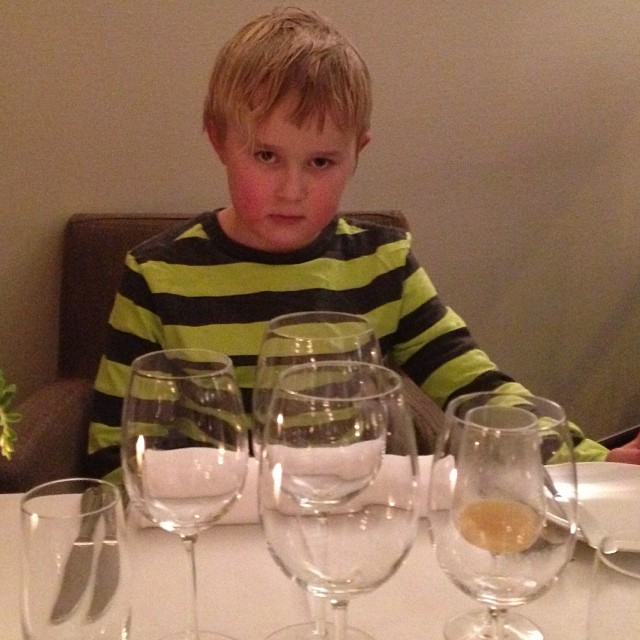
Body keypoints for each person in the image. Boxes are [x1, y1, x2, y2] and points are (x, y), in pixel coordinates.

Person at [87, 6, 639, 481]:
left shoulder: (384, 264)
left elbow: (476, 388)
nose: (292, 189)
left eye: (321, 162)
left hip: (344, 532)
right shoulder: (156, 274)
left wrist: (590, 459)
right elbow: (115, 456)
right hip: (211, 540)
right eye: (266, 156)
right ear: (219, 140)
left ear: (358, 153)